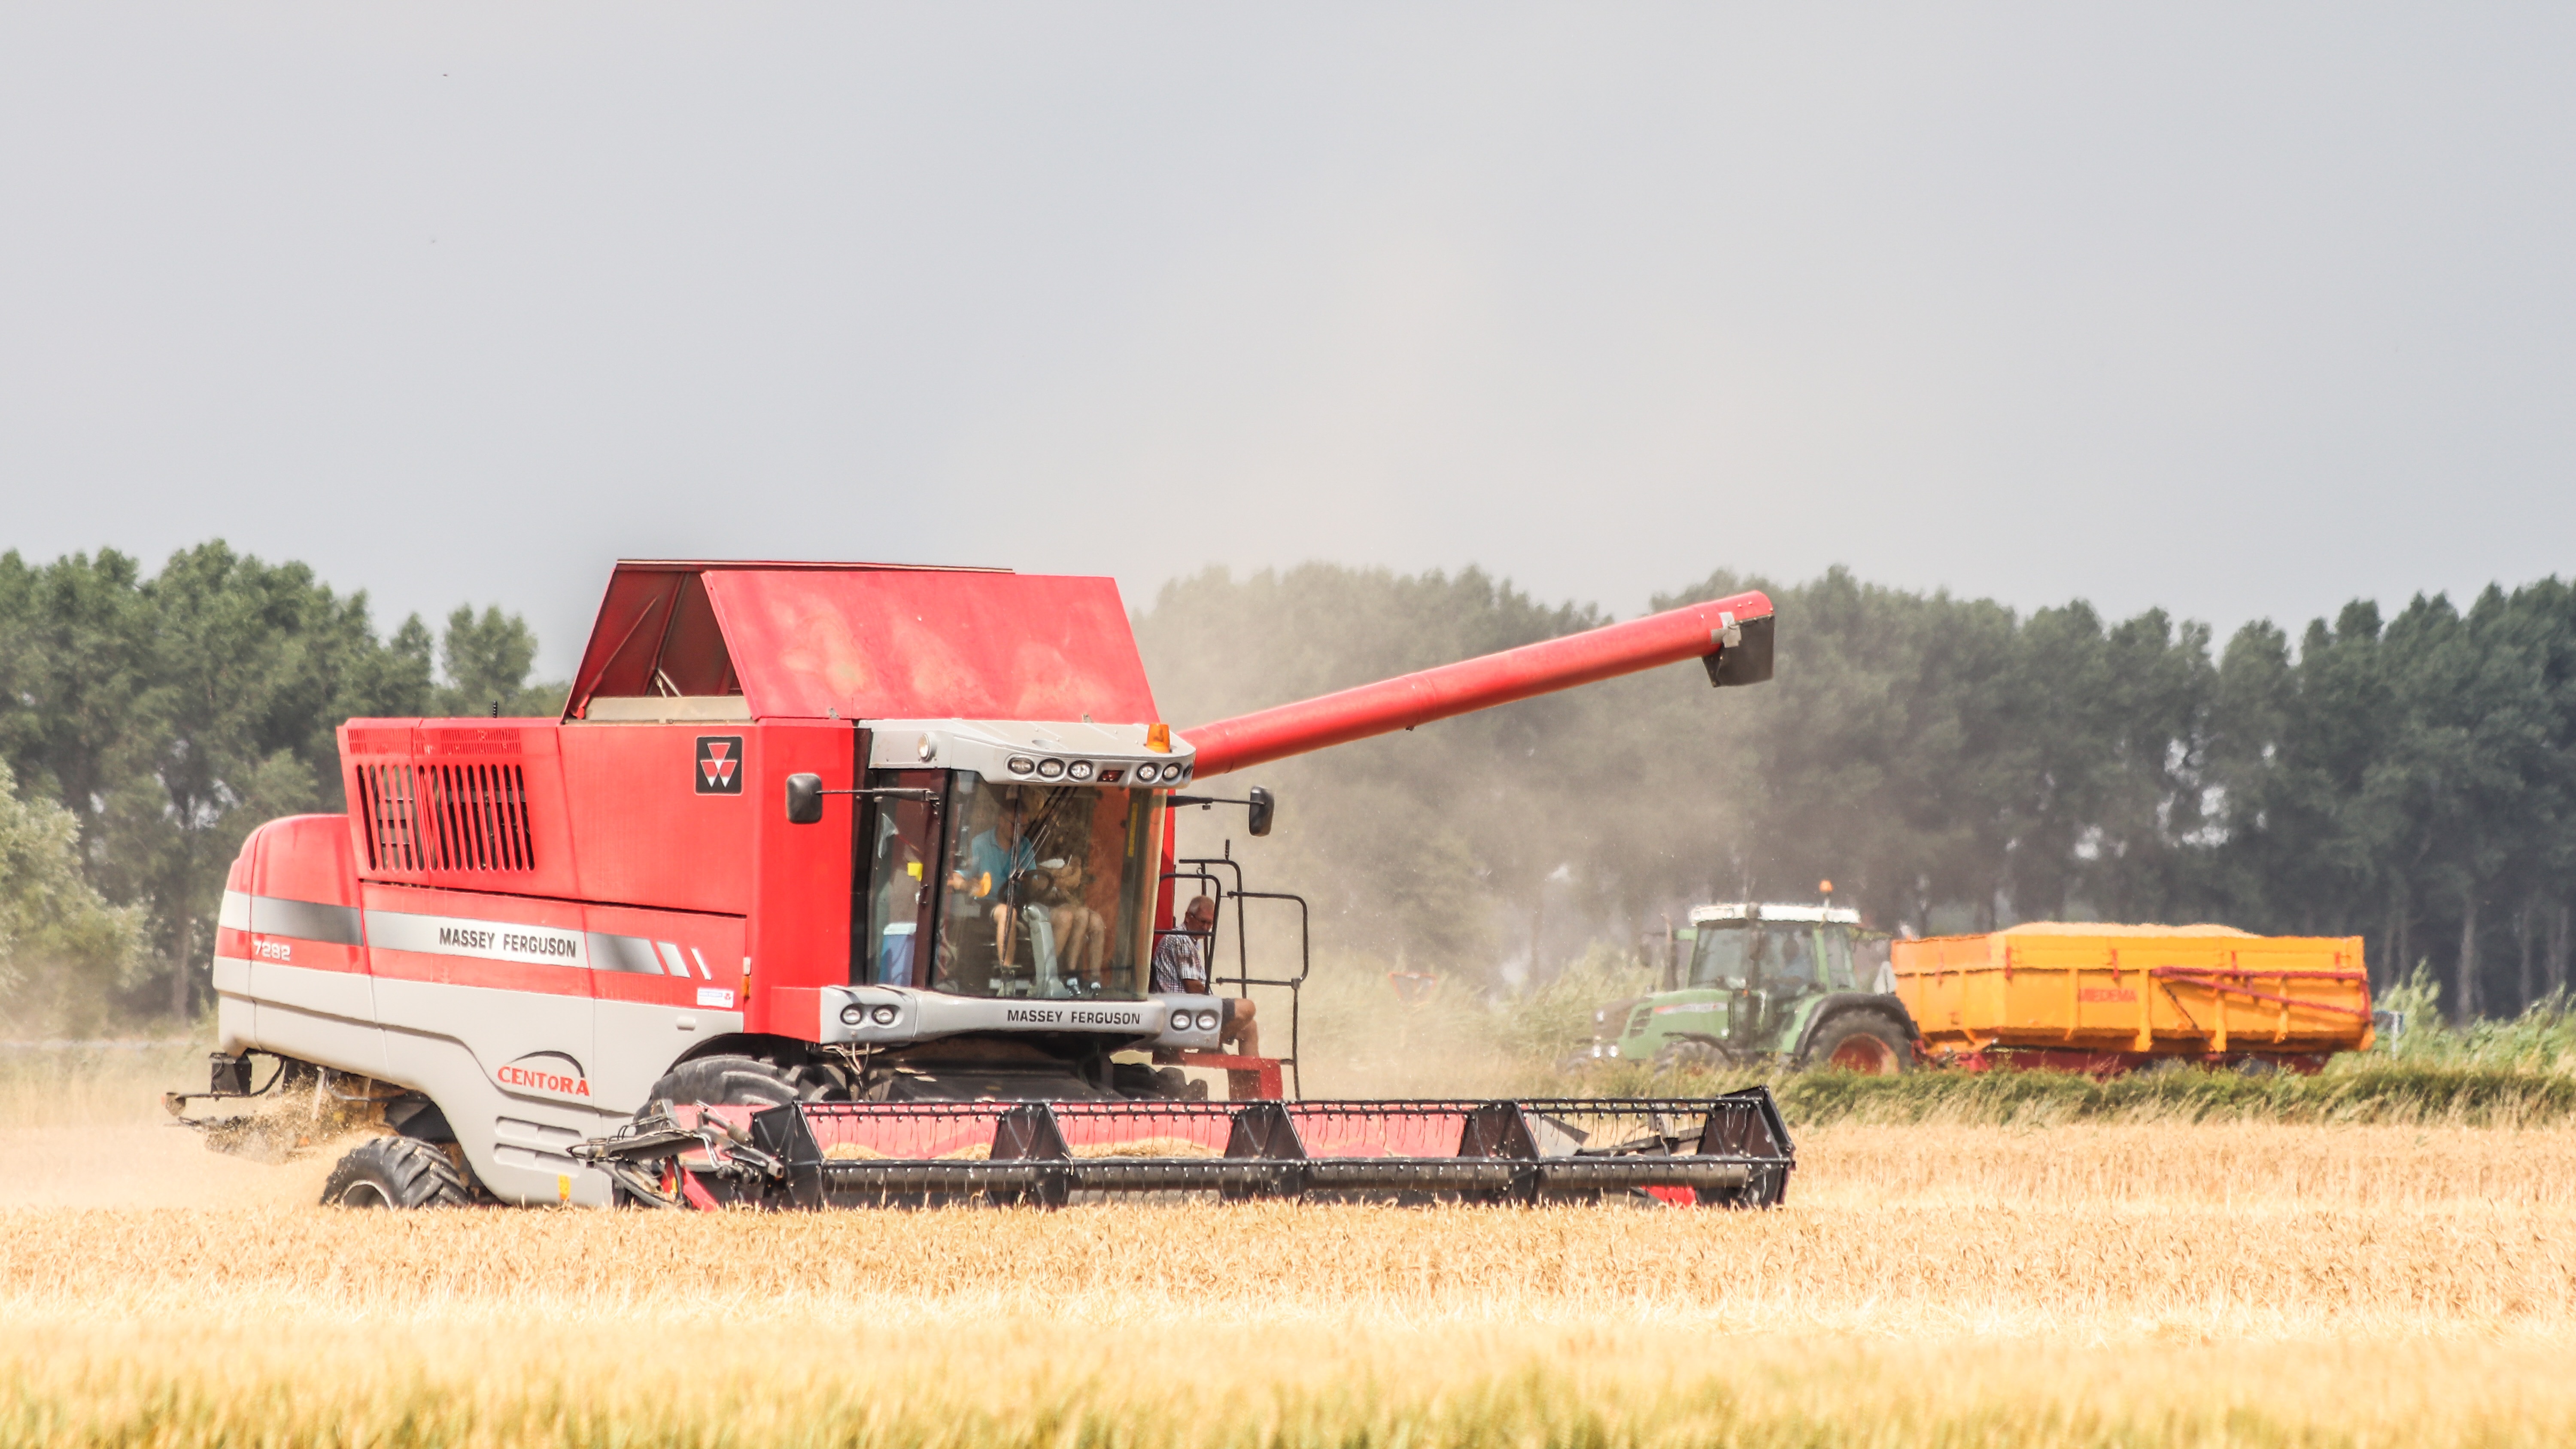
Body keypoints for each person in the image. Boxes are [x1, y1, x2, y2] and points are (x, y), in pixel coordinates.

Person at [1150, 895, 1260, 1056]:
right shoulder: (1181, 940)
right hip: (1183, 1011)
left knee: (1250, 1028)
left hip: (1187, 1009)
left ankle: (1244, 1081)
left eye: (1210, 923)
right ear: (1188, 917)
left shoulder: (1187, 941)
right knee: (1248, 1008)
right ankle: (1211, 1044)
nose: (1206, 927)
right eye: (1202, 922)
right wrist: (1216, 1004)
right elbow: (1193, 987)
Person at [952, 798, 1036, 972]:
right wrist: (969, 886)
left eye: (1025, 826)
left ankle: (1048, 977)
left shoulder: (1026, 845)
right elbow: (957, 877)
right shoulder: (980, 843)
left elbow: (1035, 881)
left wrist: (1028, 880)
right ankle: (1007, 974)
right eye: (1015, 825)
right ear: (1001, 821)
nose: (1020, 831)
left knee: (1059, 917)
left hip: (1021, 902)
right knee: (1007, 913)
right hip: (988, 904)